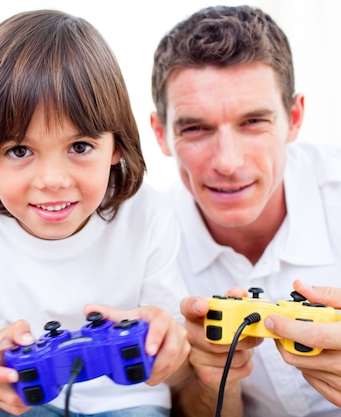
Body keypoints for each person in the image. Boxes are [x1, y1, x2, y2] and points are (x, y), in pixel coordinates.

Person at [0, 10, 190, 417]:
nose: (53, 180)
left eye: (79, 147)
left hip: (131, 399)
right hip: (35, 398)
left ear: (117, 147)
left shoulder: (148, 213)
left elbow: (169, 344)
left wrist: (166, 339)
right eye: (20, 151)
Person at [148, 5, 341, 417]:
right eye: (195, 128)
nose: (228, 162)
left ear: (294, 117)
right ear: (161, 134)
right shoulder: (144, 246)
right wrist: (214, 382)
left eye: (253, 121)